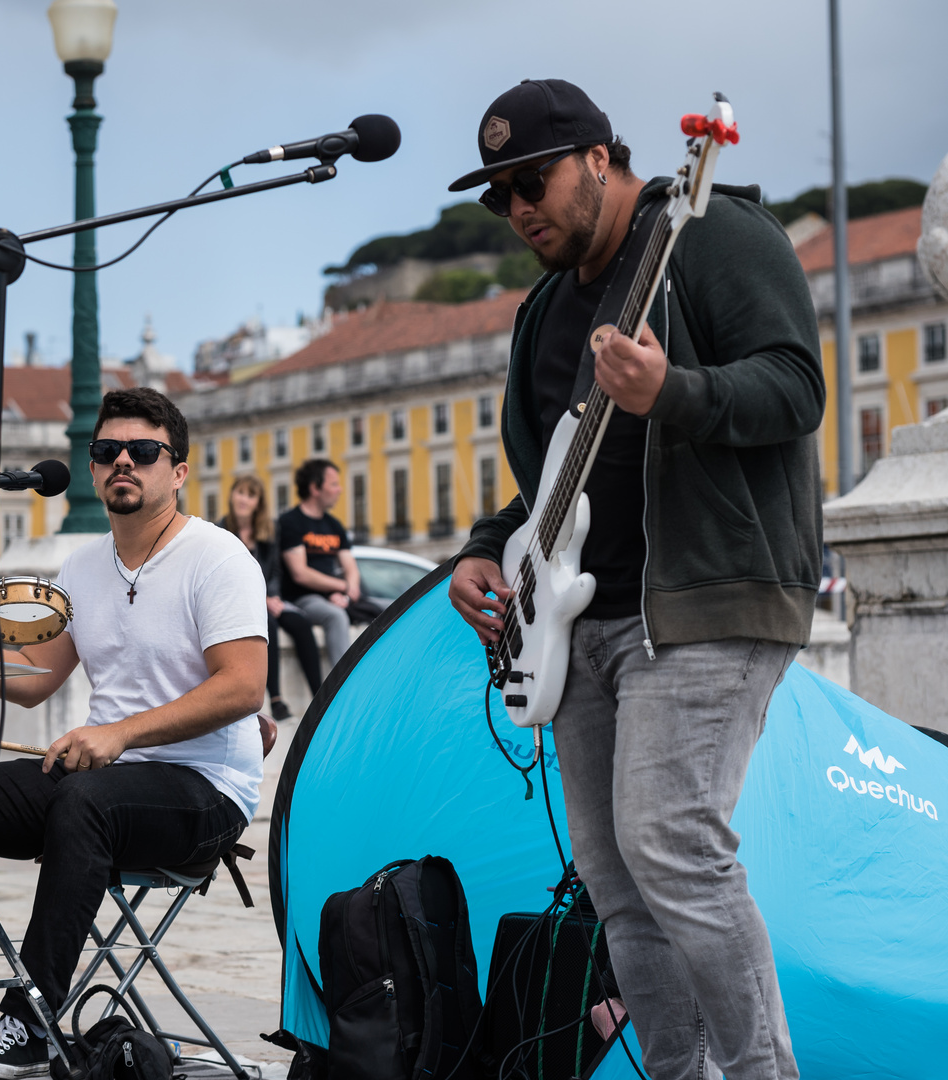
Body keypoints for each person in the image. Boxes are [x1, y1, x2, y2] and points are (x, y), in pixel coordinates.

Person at [446, 79, 822, 1080]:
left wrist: (672, 392)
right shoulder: (539, 316)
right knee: (616, 884)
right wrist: (484, 548)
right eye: (498, 195)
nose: (518, 206)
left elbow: (796, 385)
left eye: (532, 180)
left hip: (705, 599)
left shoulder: (710, 237)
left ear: (600, 160)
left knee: (671, 845)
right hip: (580, 626)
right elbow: (547, 482)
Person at [0, 388, 266, 1079]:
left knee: (86, 803)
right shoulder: (83, 566)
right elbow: (36, 679)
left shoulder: (218, 557)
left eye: (142, 452)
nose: (123, 462)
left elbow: (241, 687)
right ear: (91, 470)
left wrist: (117, 734)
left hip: (205, 791)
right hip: (101, 780)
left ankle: (28, 1021)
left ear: (176, 470)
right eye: (106, 452)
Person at [220, 474, 322, 719]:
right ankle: (276, 700)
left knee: (301, 623)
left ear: (258, 503)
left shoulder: (269, 530)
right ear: (232, 495)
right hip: (240, 603)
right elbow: (225, 578)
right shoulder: (221, 531)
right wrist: (261, 599)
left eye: (250, 495)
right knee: (269, 624)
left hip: (268, 598)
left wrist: (272, 596)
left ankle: (321, 697)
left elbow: (275, 570)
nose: (243, 499)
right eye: (240, 492)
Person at [278, 459, 362, 673]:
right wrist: (342, 587)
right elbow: (301, 574)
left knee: (389, 608)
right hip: (303, 598)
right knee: (334, 616)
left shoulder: (334, 525)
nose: (340, 490)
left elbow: (350, 567)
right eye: (334, 484)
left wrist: (347, 595)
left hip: (334, 596)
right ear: (315, 488)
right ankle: (343, 687)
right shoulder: (290, 522)